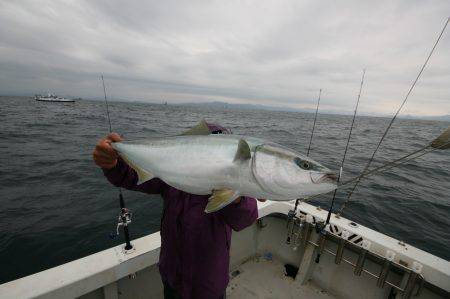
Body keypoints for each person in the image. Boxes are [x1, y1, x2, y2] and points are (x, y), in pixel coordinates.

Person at [93, 123, 263, 299]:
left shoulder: (235, 184)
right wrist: (112, 165)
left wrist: (231, 191)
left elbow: (246, 217)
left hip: (209, 283)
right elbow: (131, 177)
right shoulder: (172, 174)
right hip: (172, 276)